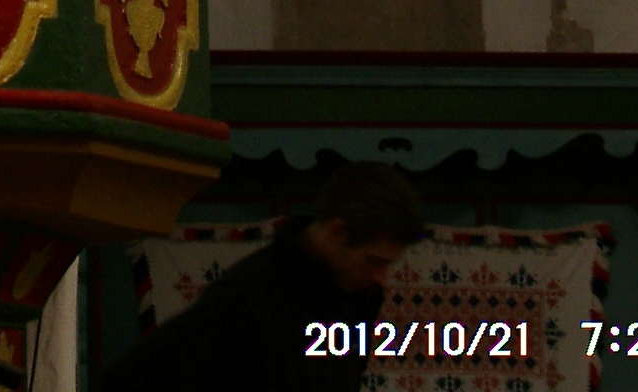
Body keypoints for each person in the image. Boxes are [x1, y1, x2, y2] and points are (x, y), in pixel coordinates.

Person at [102, 162, 425, 392]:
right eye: (374, 261)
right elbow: (136, 377)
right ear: (337, 232)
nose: (382, 278)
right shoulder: (245, 299)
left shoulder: (362, 295)